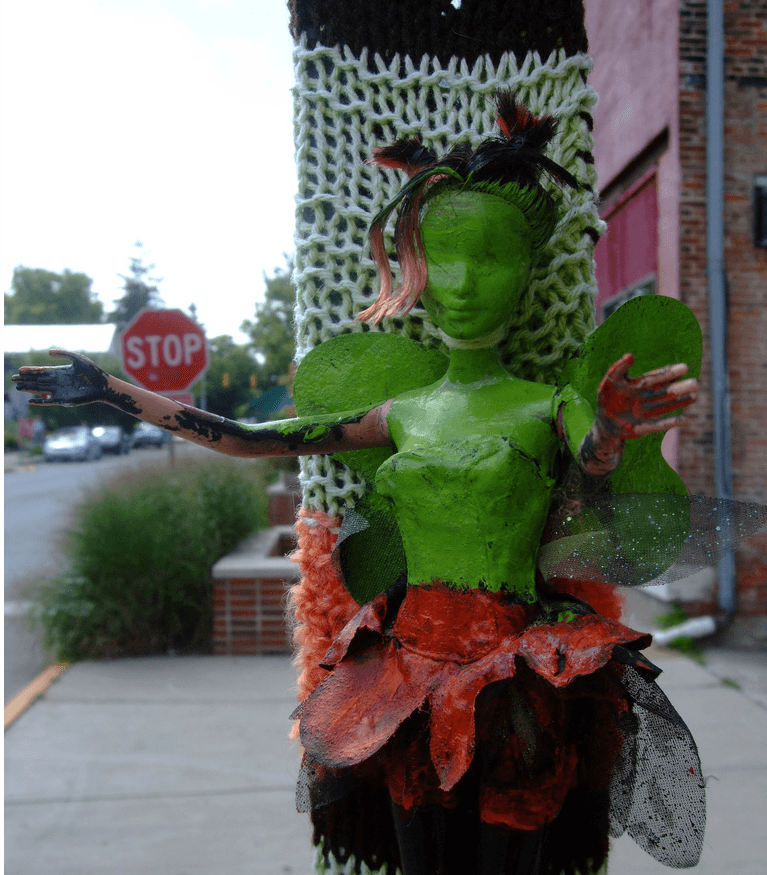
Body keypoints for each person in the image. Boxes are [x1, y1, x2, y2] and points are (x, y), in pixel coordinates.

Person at [13, 94, 701, 875]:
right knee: (419, 855)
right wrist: (115, 391)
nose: (465, 281)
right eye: (442, 257)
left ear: (526, 270)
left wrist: (610, 429)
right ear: (416, 271)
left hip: (513, 674)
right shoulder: (401, 414)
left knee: (511, 850)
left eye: (491, 256)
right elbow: (251, 439)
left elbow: (591, 456)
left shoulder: (543, 405)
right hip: (402, 677)